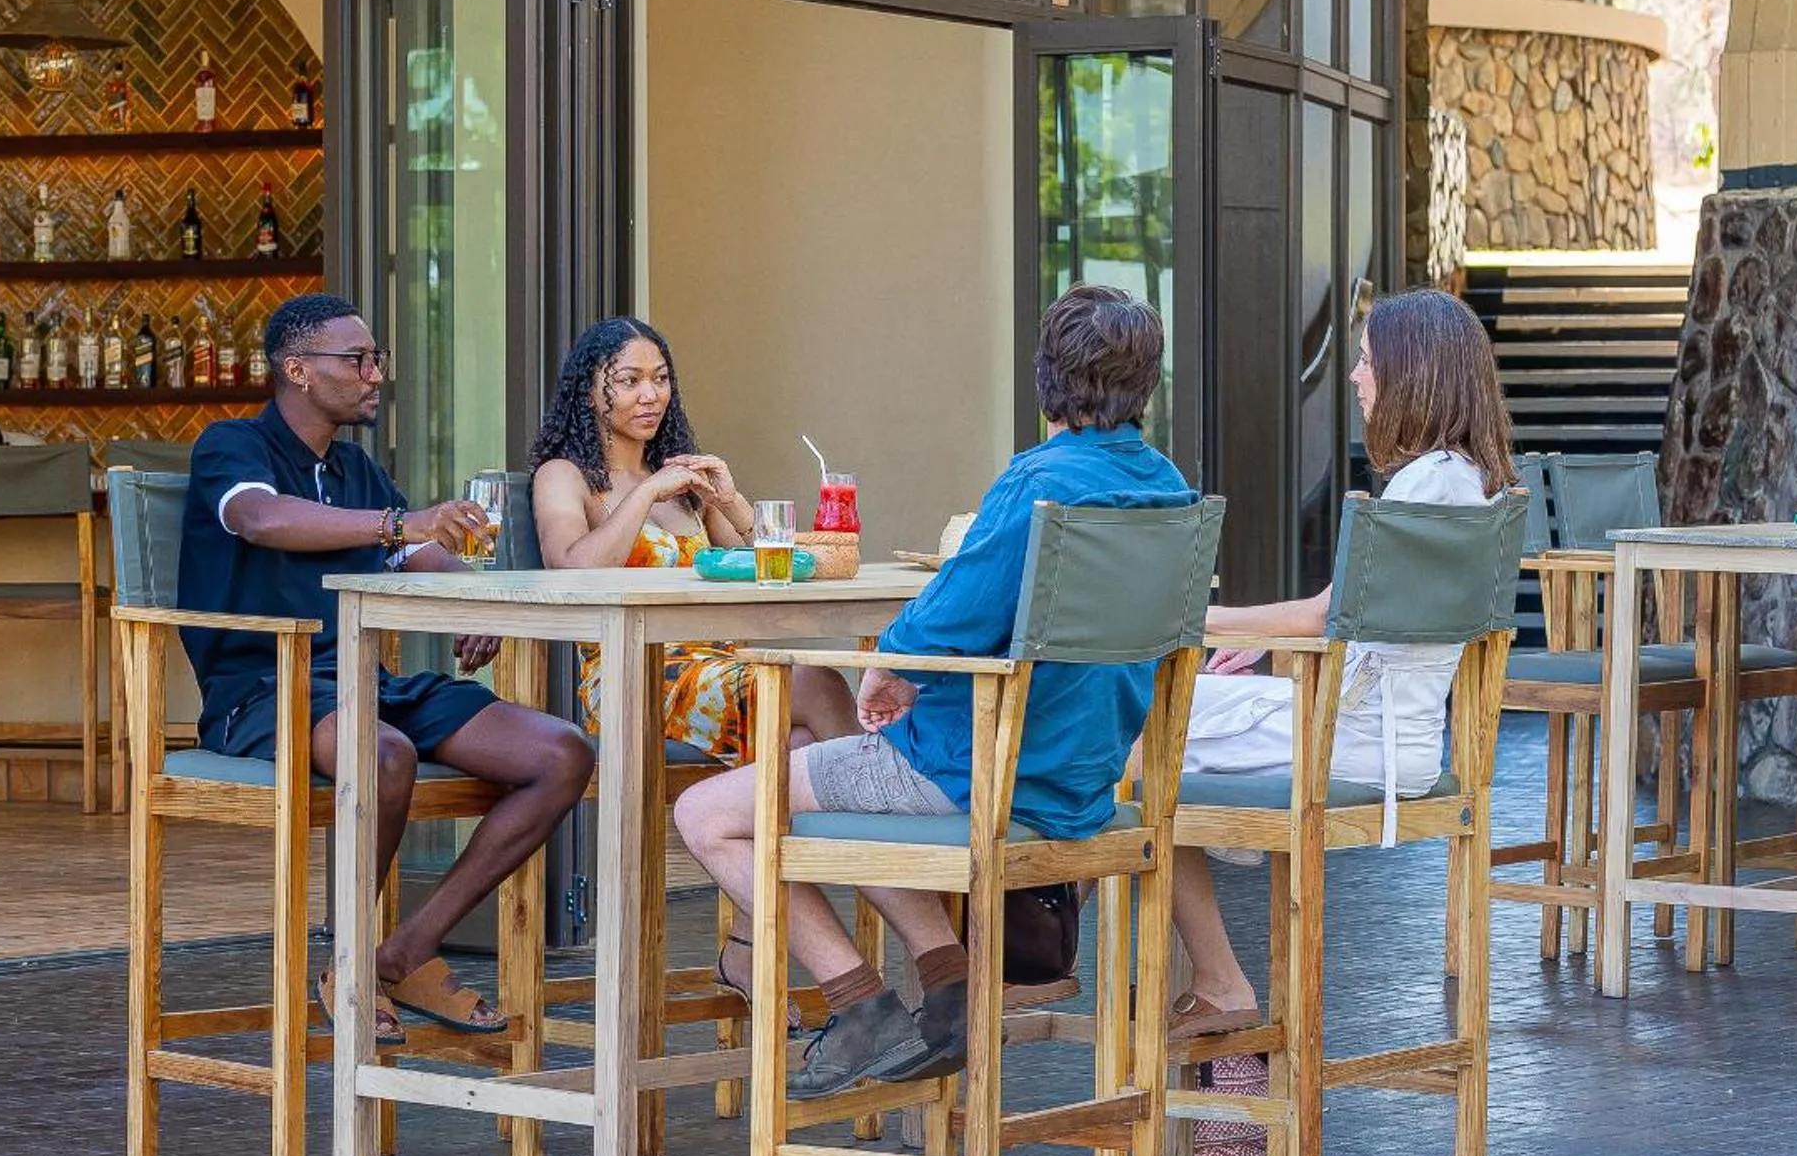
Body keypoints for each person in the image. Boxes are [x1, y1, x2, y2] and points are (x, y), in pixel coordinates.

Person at [671, 286, 1194, 1097]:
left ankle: (858, 1006)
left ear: (1046, 379)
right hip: (1082, 778)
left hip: (975, 772)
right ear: (1147, 383)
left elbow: (947, 616)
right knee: (817, 764)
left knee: (704, 815)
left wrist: (887, 667)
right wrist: (900, 671)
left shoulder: (1038, 482)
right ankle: (948, 982)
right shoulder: (1169, 490)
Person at [177, 293, 595, 1045]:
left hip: (369, 681)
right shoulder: (231, 446)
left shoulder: (356, 469)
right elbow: (260, 519)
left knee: (561, 753)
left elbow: (418, 555)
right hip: (266, 686)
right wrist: (403, 522)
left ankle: (403, 950)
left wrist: (474, 597)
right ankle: (347, 957)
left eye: (378, 360)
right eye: (357, 360)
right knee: (383, 752)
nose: (376, 375)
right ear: (296, 369)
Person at [1167, 288, 1517, 1040]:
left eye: (1366, 363)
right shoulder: (1466, 484)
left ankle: (1062, 959)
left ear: (1411, 376)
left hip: (1351, 747)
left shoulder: (1424, 487)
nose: (1357, 378)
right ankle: (1211, 980)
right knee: (1157, 726)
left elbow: (1329, 614)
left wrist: (1183, 617)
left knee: (1136, 730)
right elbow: (1347, 610)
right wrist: (1259, 638)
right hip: (1403, 745)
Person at [530, 317, 860, 1014]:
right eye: (628, 380)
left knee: (798, 746)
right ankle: (871, 830)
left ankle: (753, 945)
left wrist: (727, 496)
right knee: (814, 683)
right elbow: (571, 567)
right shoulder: (567, 477)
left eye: (660, 378)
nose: (649, 395)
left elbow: (760, 564)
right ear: (590, 391)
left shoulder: (680, 477)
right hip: (637, 674)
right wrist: (643, 497)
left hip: (722, 665)